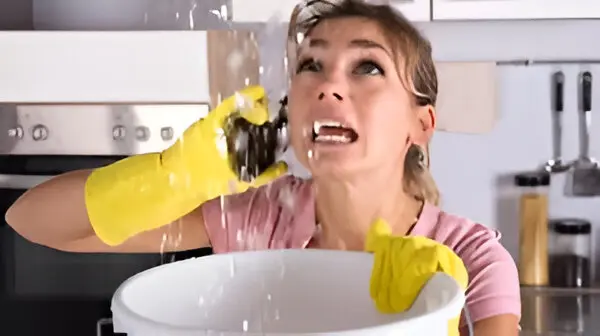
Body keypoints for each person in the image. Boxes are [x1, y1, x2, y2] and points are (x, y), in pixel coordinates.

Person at [5, 0, 520, 335]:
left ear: (421, 122)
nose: (328, 85)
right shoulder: (258, 220)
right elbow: (32, 222)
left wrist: (438, 313)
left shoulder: (469, 260)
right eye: (310, 65)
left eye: (368, 67)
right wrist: (170, 177)